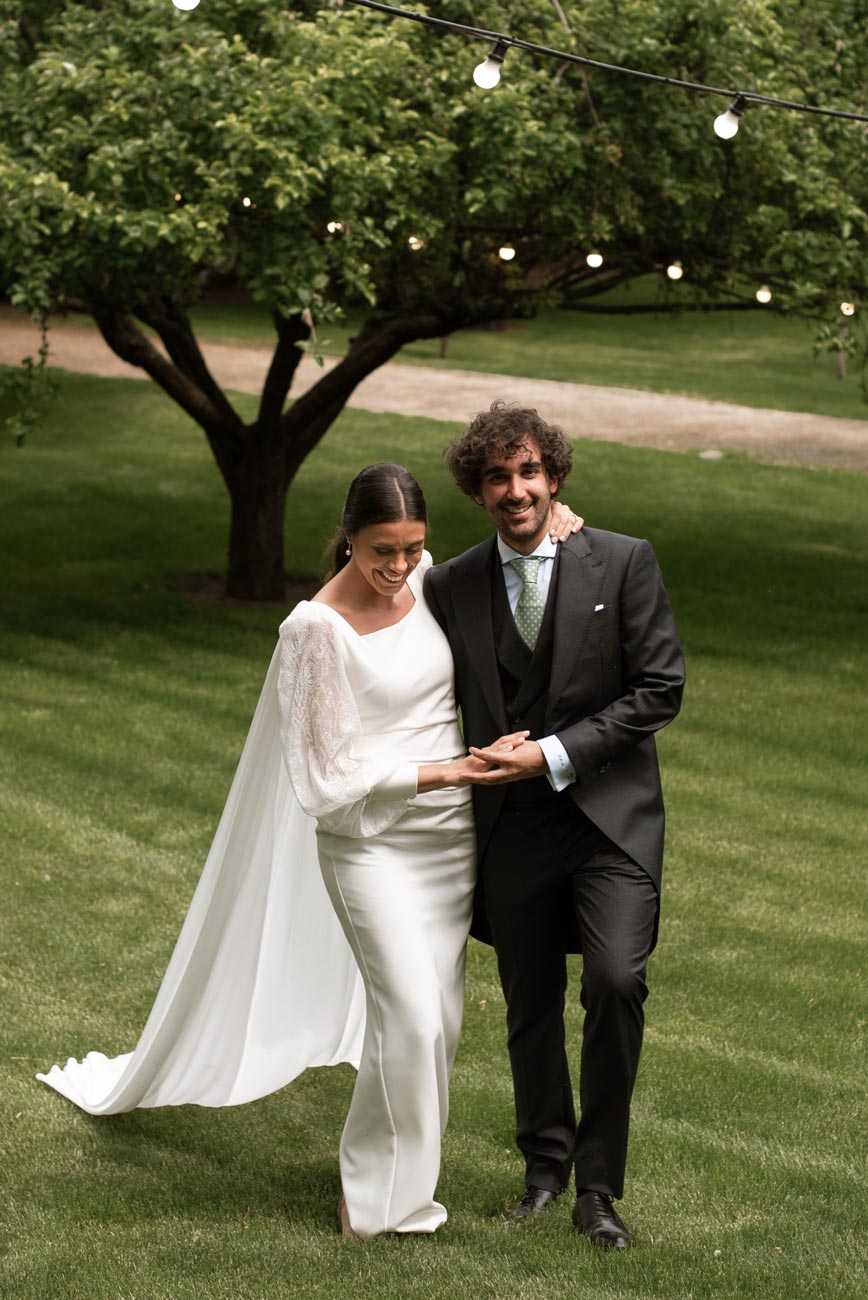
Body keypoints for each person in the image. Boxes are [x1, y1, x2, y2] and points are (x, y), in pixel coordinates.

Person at [37, 461, 581, 1241]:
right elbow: (327, 779)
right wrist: (453, 770)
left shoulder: (429, 578)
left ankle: (398, 1191)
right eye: (382, 551)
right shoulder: (313, 630)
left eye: (412, 548)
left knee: (436, 1025)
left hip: (450, 845)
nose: (400, 566)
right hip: (371, 846)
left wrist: (560, 523)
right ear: (348, 537)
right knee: (411, 1017)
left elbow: (512, 574)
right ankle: (371, 1203)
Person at [424, 402, 685, 1249]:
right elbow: (380, 609)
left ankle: (598, 1189)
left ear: (555, 476)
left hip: (610, 821)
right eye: (497, 476)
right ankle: (545, 1172)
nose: (516, 490)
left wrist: (554, 753)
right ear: (477, 490)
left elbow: (660, 689)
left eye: (530, 471)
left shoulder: (622, 561)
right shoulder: (449, 584)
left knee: (615, 981)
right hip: (511, 829)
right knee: (528, 1003)